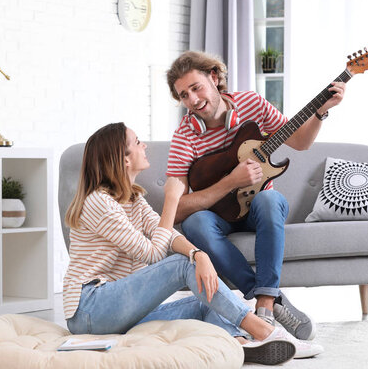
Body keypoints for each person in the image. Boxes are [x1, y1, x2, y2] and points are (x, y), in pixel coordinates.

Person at [62, 122, 324, 366]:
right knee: (180, 264)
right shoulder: (100, 203)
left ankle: (239, 342)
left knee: (205, 302)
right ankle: (267, 331)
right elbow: (154, 253)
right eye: (138, 142)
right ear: (124, 158)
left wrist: (199, 255)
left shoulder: (133, 200)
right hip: (90, 309)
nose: (145, 146)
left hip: (120, 313)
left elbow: (167, 235)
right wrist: (172, 202)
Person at [165, 50, 346, 340]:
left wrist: (321, 112)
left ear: (214, 77)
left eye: (196, 88)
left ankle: (262, 304)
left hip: (259, 207)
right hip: (218, 216)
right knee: (195, 224)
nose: (193, 100)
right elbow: (176, 210)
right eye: (184, 95)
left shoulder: (251, 103)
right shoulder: (184, 136)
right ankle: (271, 301)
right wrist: (230, 182)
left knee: (270, 199)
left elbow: (300, 142)